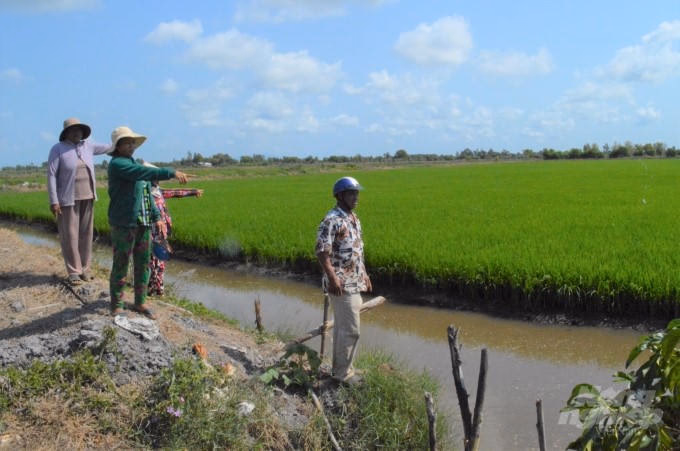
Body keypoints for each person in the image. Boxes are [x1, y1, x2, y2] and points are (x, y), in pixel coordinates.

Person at [107, 126, 188, 318]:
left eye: (132, 143)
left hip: (143, 223)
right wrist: (170, 172)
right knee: (121, 263)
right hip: (124, 223)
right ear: (118, 146)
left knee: (143, 264)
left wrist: (156, 217)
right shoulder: (118, 164)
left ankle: (140, 302)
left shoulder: (135, 165)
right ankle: (117, 304)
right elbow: (141, 172)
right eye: (127, 143)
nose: (131, 146)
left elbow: (147, 194)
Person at [315, 176, 372, 385]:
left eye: (356, 193)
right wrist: (333, 278)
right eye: (351, 194)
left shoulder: (353, 218)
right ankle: (343, 374)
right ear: (339, 196)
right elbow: (322, 251)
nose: (356, 197)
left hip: (354, 281)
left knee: (343, 328)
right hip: (341, 284)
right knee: (350, 330)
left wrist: (364, 274)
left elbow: (357, 250)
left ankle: (342, 369)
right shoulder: (332, 220)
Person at [47, 118, 112, 285]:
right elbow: (52, 175)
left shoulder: (88, 146)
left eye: (79, 130)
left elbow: (109, 147)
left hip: (88, 196)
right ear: (66, 133)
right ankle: (74, 272)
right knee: (70, 236)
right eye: (73, 130)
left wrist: (123, 141)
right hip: (67, 199)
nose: (77, 132)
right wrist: (54, 201)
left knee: (86, 235)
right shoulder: (58, 149)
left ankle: (85, 269)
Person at [142, 161, 203, 297]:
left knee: (159, 261)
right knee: (155, 261)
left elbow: (175, 192)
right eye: (156, 177)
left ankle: (153, 289)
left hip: (161, 233)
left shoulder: (158, 191)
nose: (158, 179)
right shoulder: (146, 193)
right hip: (152, 233)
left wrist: (194, 192)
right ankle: (156, 290)